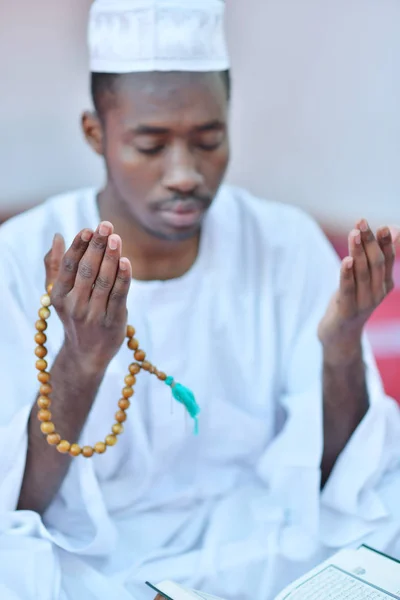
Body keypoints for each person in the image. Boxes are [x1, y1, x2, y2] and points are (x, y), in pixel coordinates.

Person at [0, 1, 400, 599]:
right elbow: (21, 500)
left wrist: (340, 348)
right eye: (151, 145)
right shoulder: (19, 257)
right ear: (95, 133)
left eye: (208, 140)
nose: (185, 173)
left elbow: (333, 478)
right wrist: (82, 359)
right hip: (90, 565)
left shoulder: (286, 243)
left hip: (259, 548)